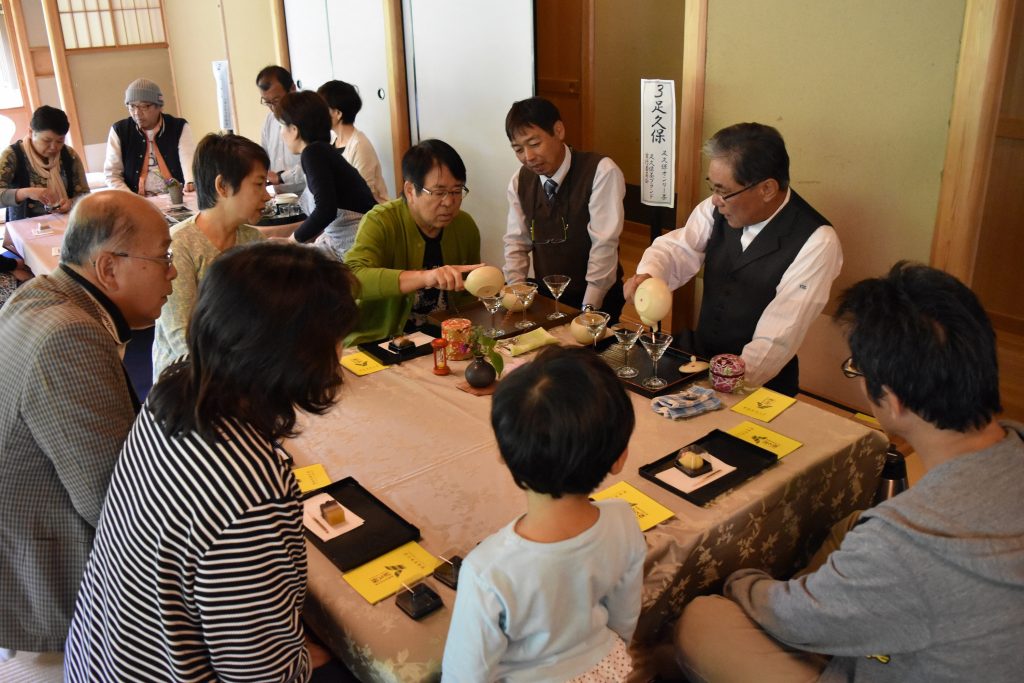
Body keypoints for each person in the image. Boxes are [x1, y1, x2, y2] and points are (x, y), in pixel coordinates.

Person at [675, 262, 1024, 683]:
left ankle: (824, 616)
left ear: (892, 401)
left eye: (856, 368)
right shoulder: (1015, 442)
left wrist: (741, 581)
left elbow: (791, 617)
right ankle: (829, 609)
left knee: (702, 619)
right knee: (851, 525)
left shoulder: (907, 542)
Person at [65, 242, 357, 681]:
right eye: (335, 337)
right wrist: (296, 656)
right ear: (299, 354)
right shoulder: (251, 491)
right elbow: (260, 676)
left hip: (102, 654)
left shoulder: (175, 386)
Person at [0, 191, 175, 656]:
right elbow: (114, 507)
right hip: (48, 586)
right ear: (109, 268)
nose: (173, 272)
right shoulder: (70, 334)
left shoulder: (38, 294)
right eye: (164, 258)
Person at [442, 346, 646, 682]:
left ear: (503, 455)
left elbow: (463, 677)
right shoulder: (624, 520)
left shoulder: (487, 571)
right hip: (608, 669)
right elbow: (624, 620)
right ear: (620, 457)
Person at [624, 122, 842, 396]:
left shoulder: (817, 241)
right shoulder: (717, 208)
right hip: (697, 359)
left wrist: (722, 386)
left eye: (723, 190)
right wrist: (649, 276)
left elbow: (777, 338)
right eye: (712, 187)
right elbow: (677, 250)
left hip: (758, 382)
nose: (715, 200)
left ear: (767, 189)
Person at [151, 133, 269, 380]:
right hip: (186, 378)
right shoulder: (179, 245)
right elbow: (181, 335)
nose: (267, 195)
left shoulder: (254, 241)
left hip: (240, 369)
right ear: (222, 186)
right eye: (259, 184)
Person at [344, 138, 482, 345]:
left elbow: (468, 297)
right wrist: (426, 277)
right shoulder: (381, 221)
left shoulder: (464, 225)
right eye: (439, 192)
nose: (449, 202)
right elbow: (352, 278)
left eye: (456, 191)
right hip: (382, 342)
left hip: (444, 341)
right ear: (410, 191)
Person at [503, 97, 626, 321]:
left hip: (597, 298)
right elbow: (516, 243)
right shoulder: (519, 182)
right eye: (518, 149)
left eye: (534, 144)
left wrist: (588, 311)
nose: (528, 157)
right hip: (547, 297)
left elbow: (604, 245)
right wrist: (517, 295)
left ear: (558, 131)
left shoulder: (601, 171)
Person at [277, 90, 376, 258]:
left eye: (281, 126)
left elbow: (325, 210)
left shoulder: (313, 153)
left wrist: (290, 241)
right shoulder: (321, 151)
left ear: (294, 130)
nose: (281, 133)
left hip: (358, 244)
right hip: (352, 239)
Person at [104, 78, 195, 195]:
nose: (137, 112)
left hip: (177, 196)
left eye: (144, 106)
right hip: (136, 200)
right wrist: (132, 199)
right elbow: (112, 174)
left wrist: (190, 182)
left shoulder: (178, 126)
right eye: (132, 106)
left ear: (159, 106)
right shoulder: (120, 130)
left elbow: (188, 160)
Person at [0, 105, 89, 221]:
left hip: (67, 222)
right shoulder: (13, 155)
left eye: (59, 141)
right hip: (26, 228)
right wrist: (26, 192)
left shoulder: (69, 155)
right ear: (31, 132)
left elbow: (85, 195)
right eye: (47, 140)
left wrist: (70, 203)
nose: (54, 147)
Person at [317, 79, 390, 203]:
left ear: (338, 113)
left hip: (369, 215)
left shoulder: (359, 145)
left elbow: (363, 193)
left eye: (322, 108)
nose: (317, 113)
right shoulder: (333, 141)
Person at [257, 64, 305, 194]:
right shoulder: (269, 121)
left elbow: (315, 163)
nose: (273, 108)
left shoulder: (308, 117)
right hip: (279, 197)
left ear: (293, 89)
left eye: (276, 100)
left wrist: (281, 177)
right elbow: (263, 158)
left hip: (306, 195)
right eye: (267, 102)